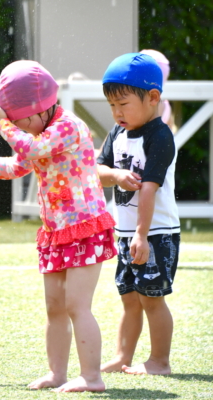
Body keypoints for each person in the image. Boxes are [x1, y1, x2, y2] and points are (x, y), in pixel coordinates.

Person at [0, 60, 117, 392]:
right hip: (55, 232)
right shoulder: (37, 133)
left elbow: (30, 147)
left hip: (85, 228)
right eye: (14, 123)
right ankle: (57, 373)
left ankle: (92, 377)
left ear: (39, 111)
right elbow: (18, 165)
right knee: (55, 308)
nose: (18, 129)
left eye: (20, 123)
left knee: (77, 305)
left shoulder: (68, 128)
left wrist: (2, 123)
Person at [97, 53, 180, 376]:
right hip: (127, 232)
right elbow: (97, 170)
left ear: (152, 98)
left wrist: (143, 235)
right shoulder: (118, 134)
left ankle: (160, 361)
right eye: (112, 106)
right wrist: (115, 176)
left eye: (123, 104)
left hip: (156, 232)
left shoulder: (159, 136)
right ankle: (123, 357)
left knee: (152, 299)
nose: (117, 112)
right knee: (130, 297)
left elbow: (148, 189)